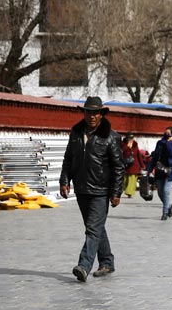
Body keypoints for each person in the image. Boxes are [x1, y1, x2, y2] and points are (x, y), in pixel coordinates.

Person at [59, 96, 124, 282]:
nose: (92, 116)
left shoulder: (111, 137)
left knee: (93, 230)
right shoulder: (76, 133)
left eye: (96, 113)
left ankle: (84, 266)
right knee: (95, 227)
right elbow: (68, 159)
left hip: (101, 190)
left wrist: (116, 192)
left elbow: (118, 167)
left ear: (101, 115)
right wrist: (65, 181)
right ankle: (107, 262)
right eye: (89, 112)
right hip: (81, 188)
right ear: (84, 113)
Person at [149, 127, 172, 220]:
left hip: (170, 171)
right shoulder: (160, 143)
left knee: (166, 191)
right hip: (159, 170)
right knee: (160, 193)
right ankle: (169, 206)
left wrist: (168, 142)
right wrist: (149, 169)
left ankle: (165, 212)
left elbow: (171, 153)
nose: (166, 135)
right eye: (165, 133)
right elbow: (155, 157)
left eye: (168, 134)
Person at [121, 133, 142, 198]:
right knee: (125, 179)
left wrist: (142, 164)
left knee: (132, 179)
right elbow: (120, 152)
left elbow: (138, 155)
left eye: (132, 138)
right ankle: (125, 190)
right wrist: (127, 146)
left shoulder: (135, 145)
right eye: (129, 138)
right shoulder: (123, 144)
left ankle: (129, 192)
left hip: (134, 165)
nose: (131, 140)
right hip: (126, 164)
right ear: (126, 138)